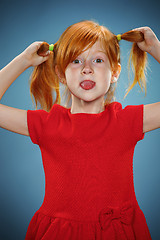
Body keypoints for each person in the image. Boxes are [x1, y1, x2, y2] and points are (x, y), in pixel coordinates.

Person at [0, 20, 160, 240]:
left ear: (114, 72)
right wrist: (24, 60)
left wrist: (154, 47)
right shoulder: (48, 125)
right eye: (76, 60)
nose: (87, 68)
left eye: (98, 60)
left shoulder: (126, 121)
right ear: (61, 74)